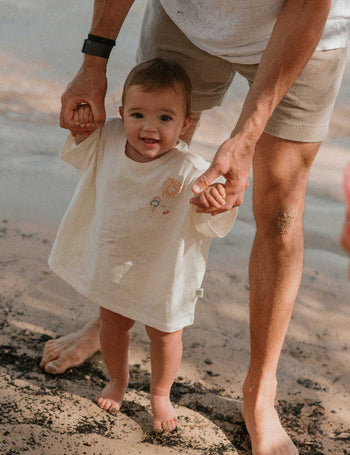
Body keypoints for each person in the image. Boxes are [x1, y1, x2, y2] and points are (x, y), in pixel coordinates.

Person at [41, 1, 350, 454]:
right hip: (188, 16)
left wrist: (246, 137)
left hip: (306, 32)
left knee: (282, 208)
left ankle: (260, 390)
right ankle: (119, 306)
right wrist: (94, 60)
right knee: (156, 167)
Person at [47, 58, 237, 433]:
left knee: (165, 334)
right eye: (137, 114)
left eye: (165, 118)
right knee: (113, 325)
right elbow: (79, 151)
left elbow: (211, 223)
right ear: (120, 114)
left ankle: (160, 393)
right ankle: (118, 379)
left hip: (163, 271)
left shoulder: (191, 169)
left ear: (185, 123)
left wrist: (215, 203)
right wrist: (83, 124)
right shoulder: (111, 138)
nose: (149, 127)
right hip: (115, 259)